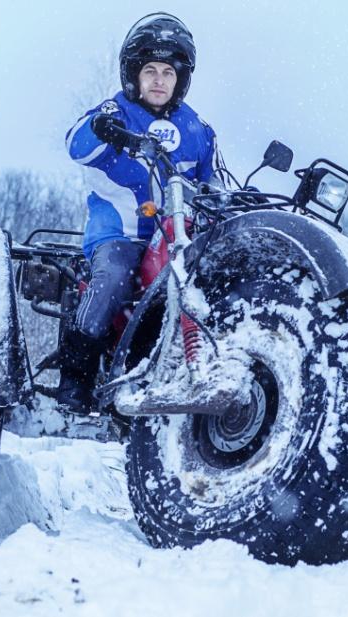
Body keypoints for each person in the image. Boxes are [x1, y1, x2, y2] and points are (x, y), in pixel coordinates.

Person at [60, 12, 223, 413]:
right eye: (149, 70)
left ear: (179, 79)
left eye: (167, 72)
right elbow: (76, 145)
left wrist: (222, 200)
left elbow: (214, 182)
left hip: (176, 239)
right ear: (133, 74)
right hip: (120, 235)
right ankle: (74, 387)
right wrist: (106, 130)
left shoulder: (198, 129)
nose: (157, 80)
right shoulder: (115, 111)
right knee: (114, 280)